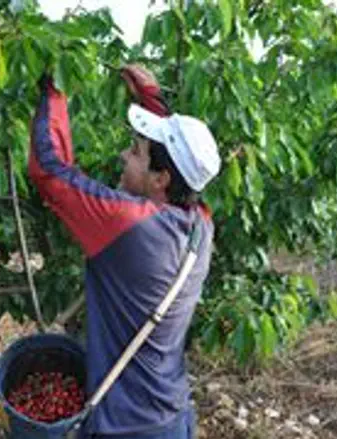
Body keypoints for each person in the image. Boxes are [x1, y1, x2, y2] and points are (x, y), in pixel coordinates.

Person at [27, 64, 220, 439]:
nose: (122, 155)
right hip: (172, 417)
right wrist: (151, 100)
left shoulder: (128, 224)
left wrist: (56, 83)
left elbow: (49, 170)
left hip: (124, 427)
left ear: (161, 179)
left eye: (134, 152)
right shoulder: (200, 224)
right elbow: (181, 164)